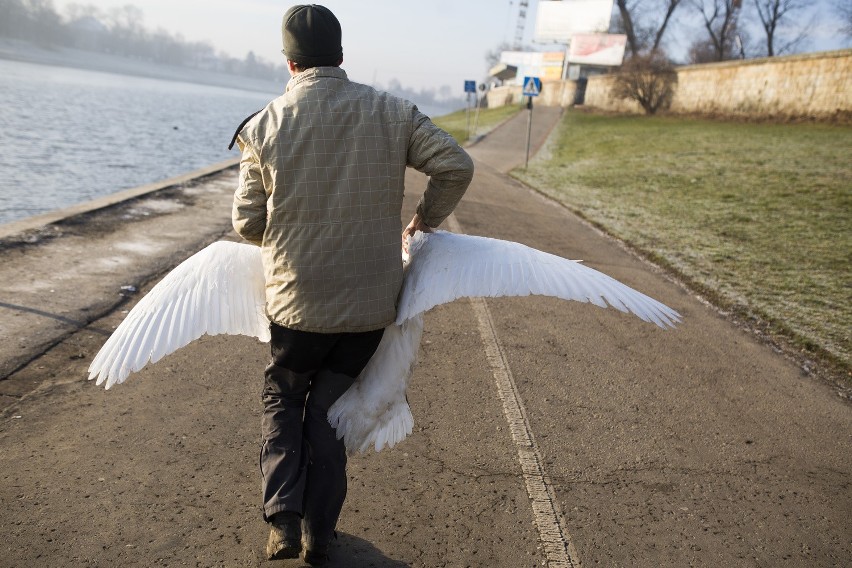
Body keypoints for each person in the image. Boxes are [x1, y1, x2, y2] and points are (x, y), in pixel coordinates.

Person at [230, 4, 473, 565]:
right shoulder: (393, 112)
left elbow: (246, 221)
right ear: (340, 57)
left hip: (296, 309)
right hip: (369, 311)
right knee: (329, 414)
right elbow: (455, 165)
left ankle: (283, 520)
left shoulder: (263, 125)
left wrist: (289, 230)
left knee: (284, 399)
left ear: (289, 62)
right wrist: (424, 220)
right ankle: (321, 533)